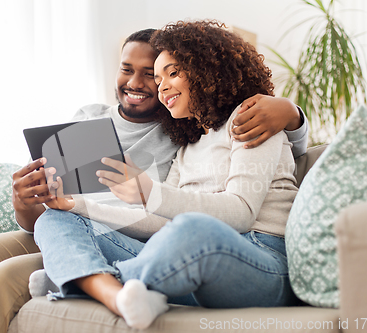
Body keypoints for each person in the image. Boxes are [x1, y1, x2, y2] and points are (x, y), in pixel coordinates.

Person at [0, 27, 307, 333]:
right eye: (130, 70)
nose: (151, 83)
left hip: (245, 250)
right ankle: (108, 289)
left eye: (163, 73)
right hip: (98, 235)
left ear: (204, 72)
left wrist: (291, 111)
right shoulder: (182, 139)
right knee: (44, 222)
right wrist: (62, 204)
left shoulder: (230, 123)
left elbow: (231, 211)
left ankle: (83, 280)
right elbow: (158, 217)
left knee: (188, 229)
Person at [32, 20, 302, 330]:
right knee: (56, 219)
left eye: (172, 73)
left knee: (192, 228)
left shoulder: (249, 119)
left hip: (262, 262)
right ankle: (117, 296)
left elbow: (240, 213)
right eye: (158, 79)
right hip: (195, 271)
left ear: (207, 69)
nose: (161, 87)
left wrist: (150, 192)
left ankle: (76, 280)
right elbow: (161, 225)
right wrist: (76, 207)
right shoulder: (187, 147)